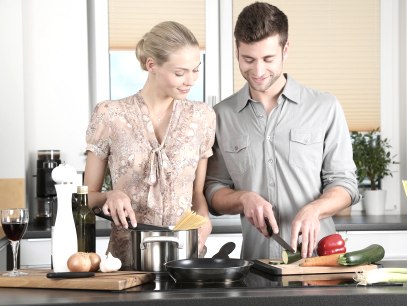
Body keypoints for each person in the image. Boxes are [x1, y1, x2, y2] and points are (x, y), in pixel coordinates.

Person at [204, 2, 360, 260]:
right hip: (256, 268)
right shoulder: (222, 115)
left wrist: (315, 210)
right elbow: (213, 190)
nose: (258, 71)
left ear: (285, 50)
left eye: (268, 59)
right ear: (237, 51)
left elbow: (345, 184)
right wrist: (244, 198)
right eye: (248, 59)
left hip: (320, 264)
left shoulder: (324, 107)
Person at [84, 21, 215, 268]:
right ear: (151, 65)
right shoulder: (110, 115)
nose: (190, 80)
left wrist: (204, 220)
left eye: (196, 70)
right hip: (125, 263)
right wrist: (109, 195)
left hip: (184, 260)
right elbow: (84, 200)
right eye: (180, 73)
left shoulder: (203, 117)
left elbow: (197, 194)